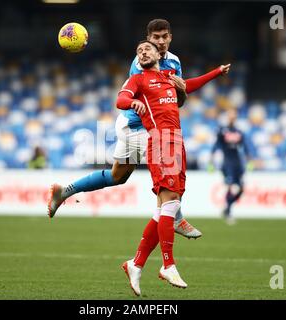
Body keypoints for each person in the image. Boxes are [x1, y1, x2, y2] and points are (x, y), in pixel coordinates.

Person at [47, 19, 226, 239]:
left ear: (170, 37)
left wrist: (190, 86)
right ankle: (177, 218)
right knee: (168, 175)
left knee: (117, 176)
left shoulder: (174, 61)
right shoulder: (141, 61)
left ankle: (64, 192)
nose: (160, 42)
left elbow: (177, 96)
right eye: (155, 38)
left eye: (164, 37)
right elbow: (143, 94)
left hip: (141, 126)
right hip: (138, 126)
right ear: (148, 39)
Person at [118, 40, 230, 295]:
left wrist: (215, 72)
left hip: (177, 143)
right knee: (169, 202)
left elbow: (189, 85)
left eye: (147, 49)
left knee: (168, 207)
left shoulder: (169, 76)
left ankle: (135, 264)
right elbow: (121, 98)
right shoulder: (138, 79)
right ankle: (168, 264)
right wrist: (132, 103)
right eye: (138, 50)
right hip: (160, 142)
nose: (143, 52)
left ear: (159, 53)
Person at [208, 109, 253, 225]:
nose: (233, 117)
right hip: (227, 163)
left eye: (234, 115)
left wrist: (249, 159)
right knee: (230, 186)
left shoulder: (239, 131)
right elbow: (216, 145)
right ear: (228, 116)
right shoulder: (222, 130)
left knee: (241, 188)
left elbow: (245, 146)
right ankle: (228, 212)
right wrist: (211, 160)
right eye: (231, 115)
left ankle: (227, 207)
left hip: (238, 162)